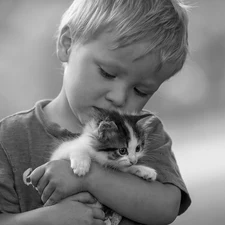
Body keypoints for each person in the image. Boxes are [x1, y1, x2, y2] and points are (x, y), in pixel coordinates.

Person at [0, 0, 192, 224]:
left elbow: (166, 209)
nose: (119, 98)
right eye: (108, 73)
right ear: (67, 44)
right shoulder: (10, 138)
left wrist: (90, 177)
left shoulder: (144, 130)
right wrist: (47, 219)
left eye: (140, 90)